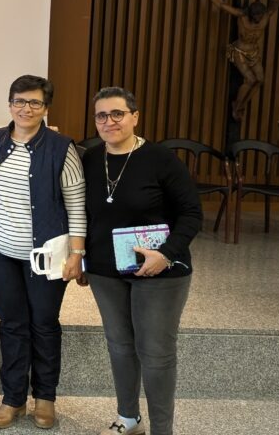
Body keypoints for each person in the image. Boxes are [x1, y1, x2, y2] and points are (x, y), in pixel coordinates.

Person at [81, 86, 202, 435]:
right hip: (106, 271)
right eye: (101, 115)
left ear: (135, 116)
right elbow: (81, 213)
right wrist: (82, 258)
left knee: (156, 352)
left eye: (117, 113)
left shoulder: (160, 159)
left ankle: (162, 430)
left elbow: (192, 213)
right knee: (119, 346)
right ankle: (128, 419)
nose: (109, 121)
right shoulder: (90, 159)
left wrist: (166, 254)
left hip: (160, 271)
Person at [0, 75, 86, 430]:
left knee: (44, 324)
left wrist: (77, 253)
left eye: (35, 102)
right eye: (20, 101)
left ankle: (45, 399)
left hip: (47, 256)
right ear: (10, 104)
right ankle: (12, 399)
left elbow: (77, 204)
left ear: (45, 108)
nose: (26, 108)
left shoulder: (61, 148)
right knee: (11, 324)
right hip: (0, 253)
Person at [185, 0, 279, 121]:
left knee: (260, 80)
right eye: (255, 16)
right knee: (250, 79)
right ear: (250, 14)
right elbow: (220, 4)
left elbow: (275, 2)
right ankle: (237, 105)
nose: (258, 19)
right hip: (239, 51)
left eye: (260, 16)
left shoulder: (266, 16)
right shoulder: (242, 16)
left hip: (253, 52)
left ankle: (242, 103)